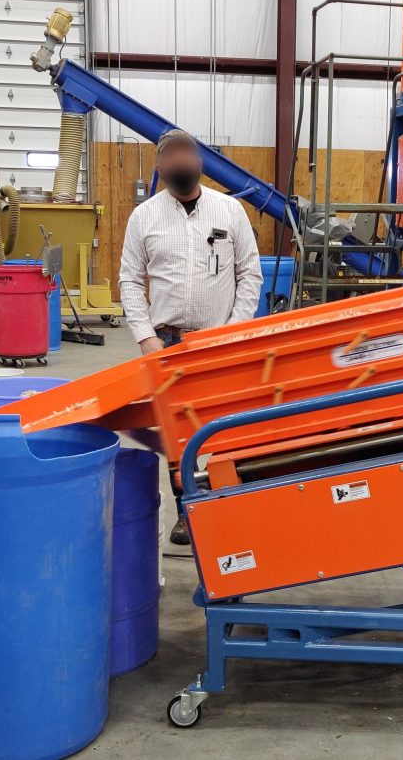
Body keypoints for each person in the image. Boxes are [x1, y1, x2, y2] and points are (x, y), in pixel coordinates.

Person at [120, 128, 263, 544]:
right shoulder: (144, 217)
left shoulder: (229, 211)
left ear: (200, 163)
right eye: (172, 159)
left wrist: (232, 331)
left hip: (216, 342)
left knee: (222, 428)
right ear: (161, 169)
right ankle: (187, 513)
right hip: (165, 344)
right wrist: (146, 336)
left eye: (188, 156)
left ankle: (227, 506)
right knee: (175, 433)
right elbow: (129, 281)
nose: (181, 165)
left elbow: (249, 274)